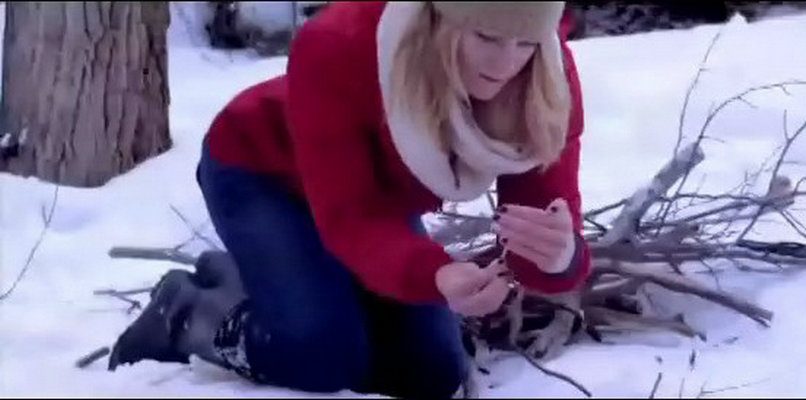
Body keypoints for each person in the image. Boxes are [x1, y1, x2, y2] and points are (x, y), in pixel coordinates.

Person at [108, 1, 591, 397]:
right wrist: (435, 273)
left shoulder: (546, 76)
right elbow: (350, 217)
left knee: (432, 372)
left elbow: (544, 222)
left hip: (376, 201)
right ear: (439, 17)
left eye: (526, 43)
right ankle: (188, 313)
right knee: (322, 356)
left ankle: (288, 288)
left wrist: (558, 254)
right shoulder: (340, 43)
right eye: (486, 37)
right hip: (261, 170)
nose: (506, 64)